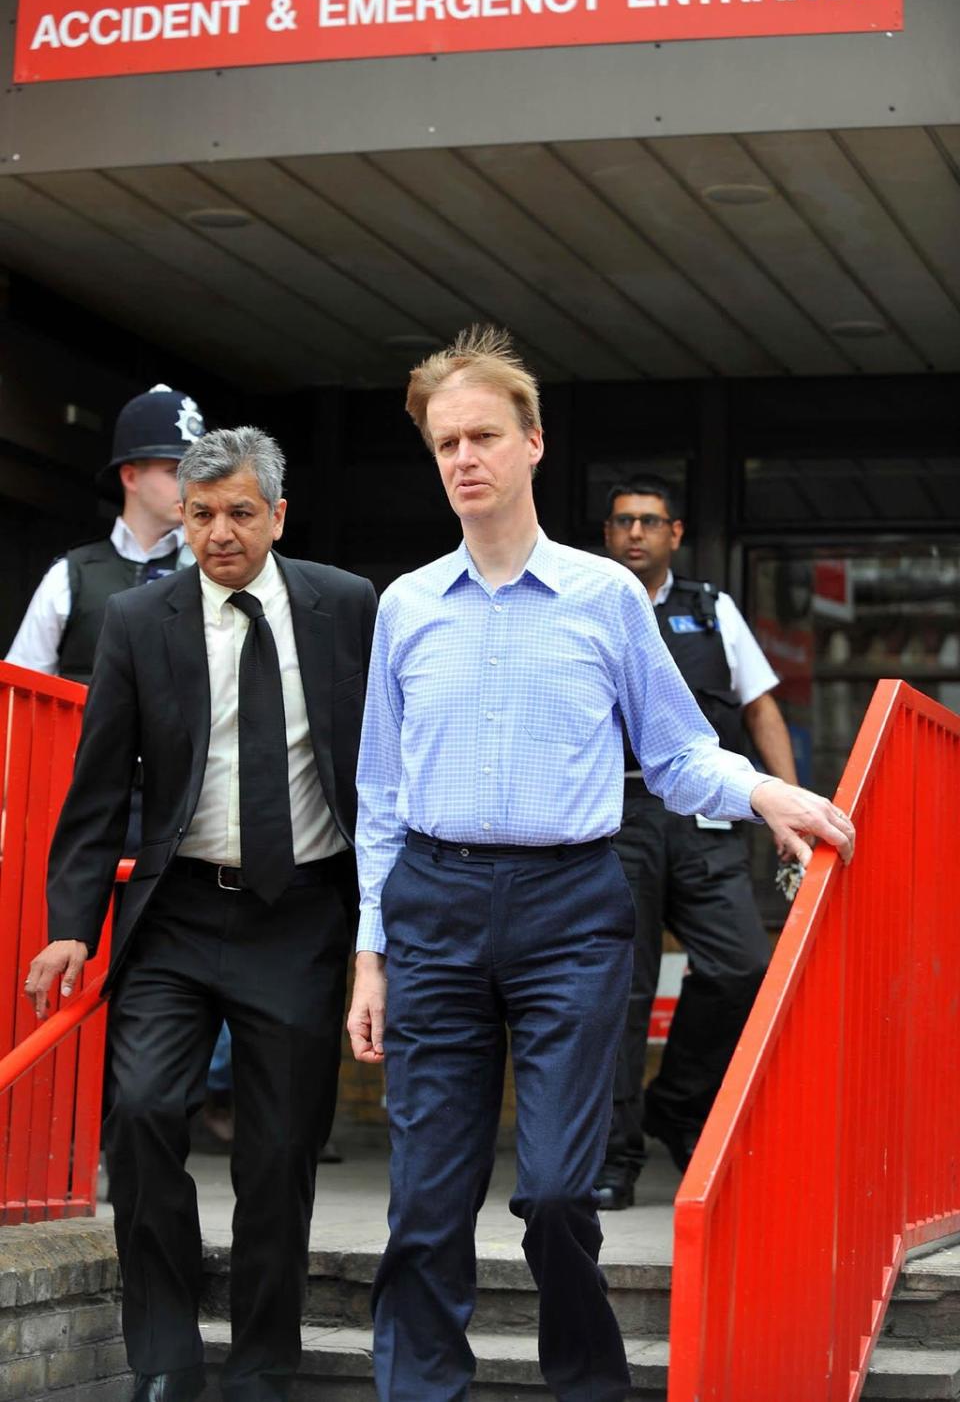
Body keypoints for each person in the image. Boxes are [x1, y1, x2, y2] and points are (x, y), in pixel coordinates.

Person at [346, 324, 854, 1402]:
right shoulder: (404, 607)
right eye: (445, 443)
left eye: (484, 435)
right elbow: (381, 795)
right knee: (426, 1199)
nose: (464, 458)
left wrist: (767, 792)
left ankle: (585, 1385)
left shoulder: (605, 598)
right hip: (432, 905)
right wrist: (370, 952)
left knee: (563, 1193)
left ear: (534, 443)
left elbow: (674, 752)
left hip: (573, 908)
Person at [24, 427, 377, 1402]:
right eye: (201, 513)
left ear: (278, 515)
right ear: (179, 516)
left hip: (302, 917)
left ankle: (263, 1361)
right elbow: (98, 790)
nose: (219, 533)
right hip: (175, 916)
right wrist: (71, 922)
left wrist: (380, 931)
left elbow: (384, 771)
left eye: (239, 512)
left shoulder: (345, 607)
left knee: (277, 1154)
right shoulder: (141, 620)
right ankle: (167, 1356)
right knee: (138, 1115)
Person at [595, 476, 798, 1211]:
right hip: (618, 814)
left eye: (649, 521)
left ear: (675, 533)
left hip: (707, 816)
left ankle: (675, 1102)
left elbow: (761, 707)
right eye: (623, 522)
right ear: (609, 533)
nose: (636, 533)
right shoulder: (589, 603)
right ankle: (615, 1157)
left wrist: (787, 804)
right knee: (622, 989)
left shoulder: (712, 609)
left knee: (742, 965)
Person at [7, 384, 205, 683]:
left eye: (197, 474)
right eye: (175, 471)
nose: (190, 486)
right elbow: (19, 693)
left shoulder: (212, 575)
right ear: (130, 476)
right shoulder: (70, 575)